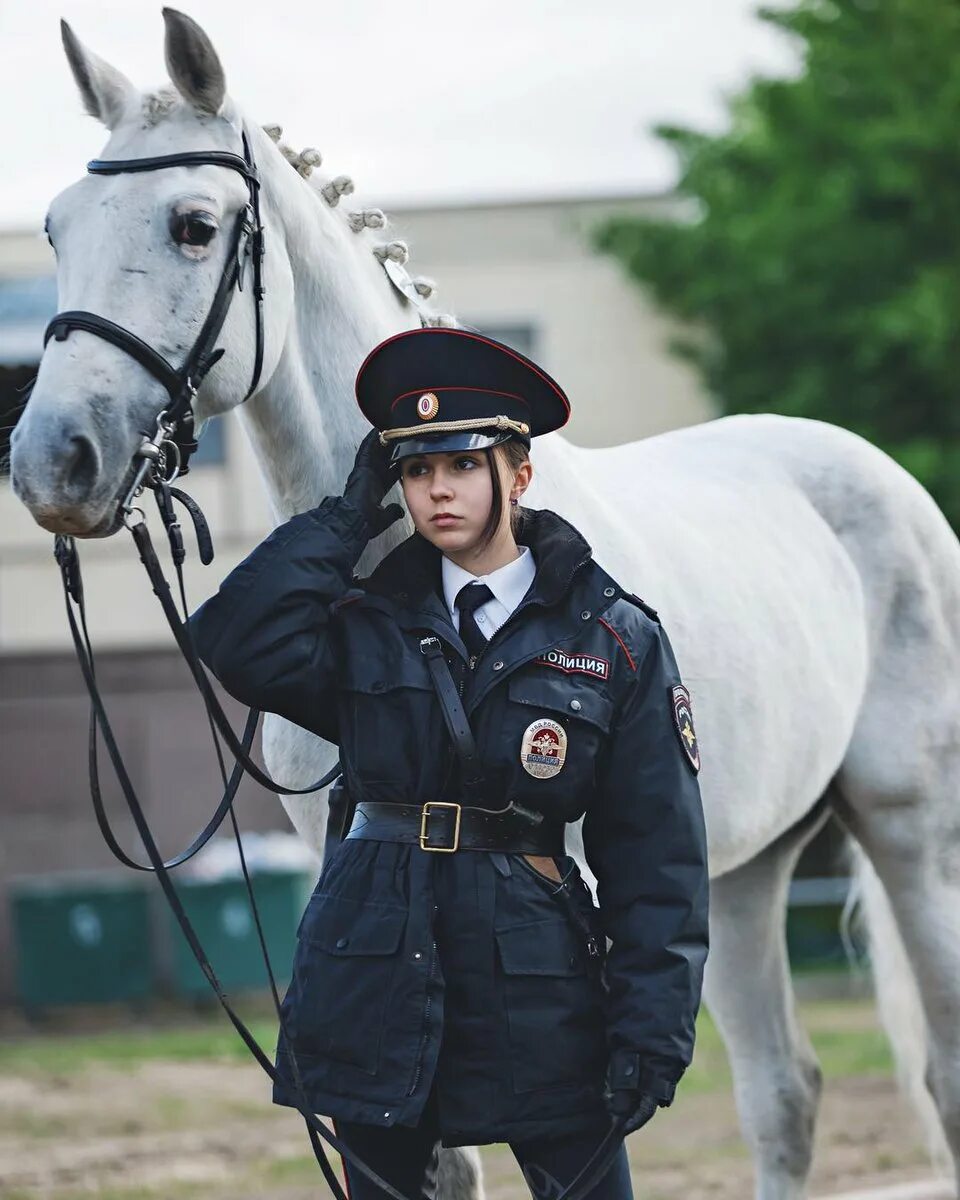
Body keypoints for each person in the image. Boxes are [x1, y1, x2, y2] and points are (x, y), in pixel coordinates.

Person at [189, 327, 709, 1200]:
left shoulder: (611, 636)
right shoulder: (365, 622)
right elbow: (237, 639)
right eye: (416, 470)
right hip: (374, 969)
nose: (437, 491)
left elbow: (656, 853)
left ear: (519, 472)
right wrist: (343, 518)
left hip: (537, 978)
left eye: (462, 465)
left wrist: (653, 1027)